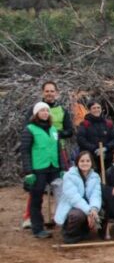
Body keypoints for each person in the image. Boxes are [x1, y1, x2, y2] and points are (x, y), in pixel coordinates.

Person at [21, 81, 74, 229]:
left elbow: (70, 131)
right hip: (39, 153)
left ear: (57, 92)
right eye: (47, 91)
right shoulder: (34, 109)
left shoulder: (62, 110)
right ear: (42, 92)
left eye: (52, 91)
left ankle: (60, 216)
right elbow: (27, 128)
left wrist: (56, 133)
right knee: (36, 188)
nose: (50, 93)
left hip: (58, 150)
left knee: (60, 186)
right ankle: (29, 217)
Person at [20, 102, 62, 238]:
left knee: (62, 194)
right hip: (38, 168)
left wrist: (62, 168)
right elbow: (25, 151)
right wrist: (28, 172)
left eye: (47, 111)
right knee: (36, 198)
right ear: (36, 113)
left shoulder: (53, 129)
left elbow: (59, 149)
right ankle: (38, 228)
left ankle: (65, 223)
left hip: (53, 167)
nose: (45, 113)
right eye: (42, 110)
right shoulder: (30, 129)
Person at [54, 151, 102, 244]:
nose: (85, 163)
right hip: (72, 206)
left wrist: (94, 209)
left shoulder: (95, 176)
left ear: (91, 162)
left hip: (88, 206)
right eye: (82, 161)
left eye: (88, 161)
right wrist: (89, 211)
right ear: (77, 162)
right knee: (77, 215)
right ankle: (69, 234)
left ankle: (85, 231)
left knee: (101, 210)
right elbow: (74, 198)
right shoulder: (69, 176)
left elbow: (96, 194)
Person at [76, 100, 114, 167]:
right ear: (89, 110)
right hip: (90, 158)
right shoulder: (85, 124)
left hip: (107, 157)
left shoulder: (108, 124)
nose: (96, 110)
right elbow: (81, 140)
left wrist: (106, 148)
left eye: (98, 108)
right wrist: (95, 149)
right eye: (94, 108)